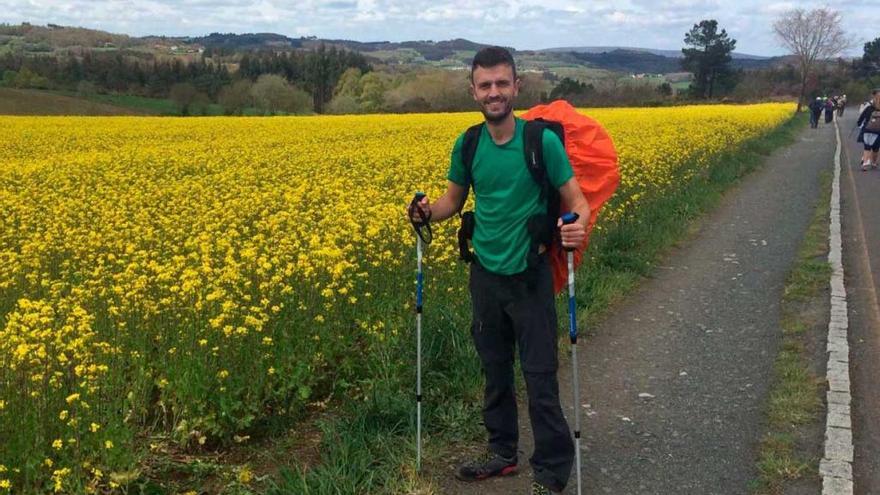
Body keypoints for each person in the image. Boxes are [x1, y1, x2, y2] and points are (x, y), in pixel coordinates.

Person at [408, 46, 589, 495]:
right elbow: (453, 201)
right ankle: (502, 453)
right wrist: (426, 214)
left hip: (530, 275)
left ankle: (552, 467)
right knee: (494, 370)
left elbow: (577, 202)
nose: (494, 92)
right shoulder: (468, 143)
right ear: (473, 91)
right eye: (485, 85)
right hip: (485, 275)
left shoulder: (541, 142)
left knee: (540, 374)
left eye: (502, 84)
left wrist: (577, 227)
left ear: (516, 88)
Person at [856, 89, 880, 171]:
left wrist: (859, 124)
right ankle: (873, 162)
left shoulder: (869, 107)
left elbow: (861, 118)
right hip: (878, 131)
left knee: (867, 147)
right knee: (876, 148)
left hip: (867, 129)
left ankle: (865, 163)